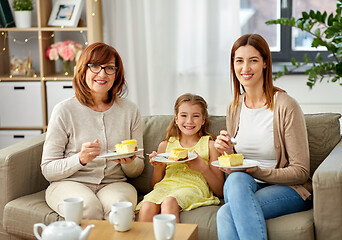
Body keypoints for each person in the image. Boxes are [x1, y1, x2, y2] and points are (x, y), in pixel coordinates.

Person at [214, 34, 312, 240]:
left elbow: (301, 171)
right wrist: (226, 153)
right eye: (239, 61)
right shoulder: (234, 108)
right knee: (236, 181)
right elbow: (236, 169)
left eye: (253, 60)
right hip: (247, 185)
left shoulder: (286, 106)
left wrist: (260, 171)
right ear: (233, 65)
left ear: (265, 63)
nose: (245, 68)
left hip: (288, 189)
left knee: (227, 212)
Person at [41, 42, 144, 220]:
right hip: (70, 182)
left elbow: (137, 169)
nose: (102, 74)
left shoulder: (130, 110)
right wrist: (79, 159)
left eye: (109, 68)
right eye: (95, 66)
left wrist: (129, 162)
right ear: (83, 70)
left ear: (116, 73)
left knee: (121, 211)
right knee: (87, 208)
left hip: (114, 184)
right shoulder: (64, 110)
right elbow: (48, 169)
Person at [136, 93, 224, 223]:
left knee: (169, 202)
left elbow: (220, 190)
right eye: (184, 115)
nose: (189, 121)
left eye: (195, 116)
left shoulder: (210, 145)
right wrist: (159, 167)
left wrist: (202, 168)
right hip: (166, 187)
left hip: (194, 188)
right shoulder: (165, 145)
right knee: (147, 206)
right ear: (176, 119)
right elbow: (155, 185)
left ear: (203, 120)